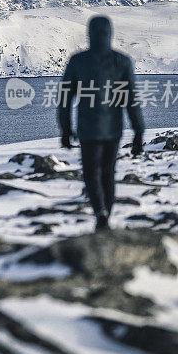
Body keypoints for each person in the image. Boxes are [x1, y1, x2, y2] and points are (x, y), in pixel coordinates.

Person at [57, 15, 144, 232]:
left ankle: (101, 214)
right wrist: (138, 131)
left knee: (91, 174)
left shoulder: (78, 61)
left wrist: (65, 129)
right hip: (113, 130)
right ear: (110, 33)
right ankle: (106, 214)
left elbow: (65, 98)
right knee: (108, 173)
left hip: (88, 131)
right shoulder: (122, 61)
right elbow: (131, 100)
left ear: (89, 33)